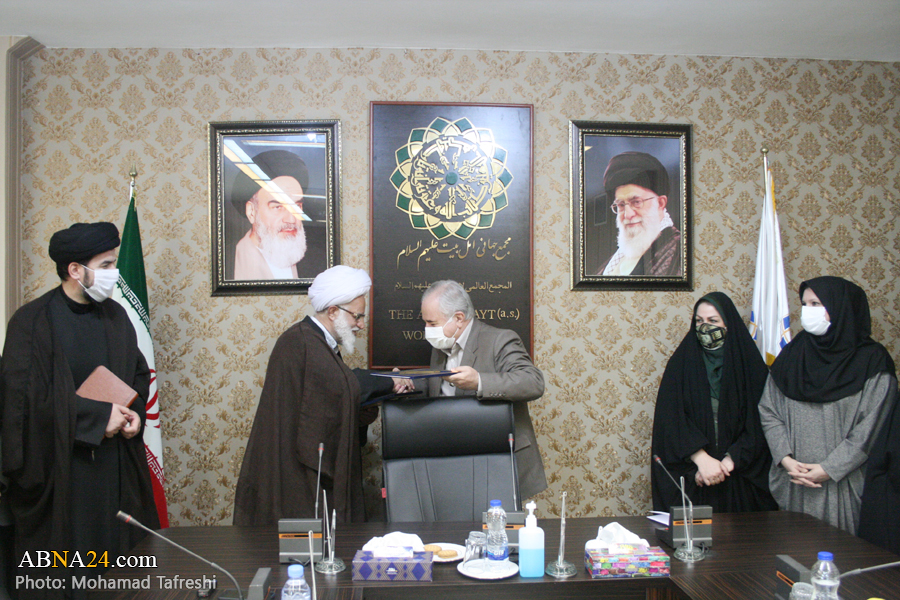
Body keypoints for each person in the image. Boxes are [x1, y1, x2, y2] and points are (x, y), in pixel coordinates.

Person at [0, 223, 158, 599]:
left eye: (114, 264)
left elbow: (136, 375)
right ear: (75, 270)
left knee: (117, 576)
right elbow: (21, 404)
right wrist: (95, 417)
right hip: (60, 475)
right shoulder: (32, 322)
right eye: (104, 266)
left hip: (114, 471)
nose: (112, 274)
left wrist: (132, 415)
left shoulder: (117, 317)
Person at [233, 266, 405, 525]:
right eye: (357, 316)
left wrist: (362, 409)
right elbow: (341, 387)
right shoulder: (302, 342)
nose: (360, 324)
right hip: (294, 474)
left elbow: (331, 399)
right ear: (333, 311)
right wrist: (388, 382)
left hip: (301, 470)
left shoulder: (317, 342)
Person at [759, 276, 897, 534]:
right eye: (805, 304)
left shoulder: (872, 361)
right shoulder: (791, 355)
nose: (808, 311)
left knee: (840, 562)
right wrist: (786, 459)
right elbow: (769, 410)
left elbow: (874, 426)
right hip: (795, 482)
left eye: (816, 303)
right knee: (794, 561)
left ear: (841, 307)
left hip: (843, 486)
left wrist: (829, 469)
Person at [417, 280, 547, 499]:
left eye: (431, 323)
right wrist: (408, 383)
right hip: (454, 459)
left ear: (458, 319)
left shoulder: (500, 340)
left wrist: (479, 381)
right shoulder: (440, 346)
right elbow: (440, 387)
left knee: (499, 531)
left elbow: (532, 381)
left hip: (498, 460)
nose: (426, 330)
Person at [651, 293, 778, 513]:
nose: (705, 327)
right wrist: (702, 461)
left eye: (713, 321)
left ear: (728, 323)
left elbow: (761, 423)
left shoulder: (751, 366)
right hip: (694, 478)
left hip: (740, 480)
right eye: (699, 321)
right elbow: (671, 420)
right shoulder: (680, 364)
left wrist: (727, 464)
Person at [597, 151, 682, 277]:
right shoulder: (613, 261)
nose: (628, 215)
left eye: (636, 202)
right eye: (621, 205)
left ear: (660, 203)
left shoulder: (680, 251)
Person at [230, 149, 311, 280]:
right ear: (251, 212)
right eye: (278, 207)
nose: (291, 219)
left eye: (297, 206)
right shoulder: (231, 261)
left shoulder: (316, 261)